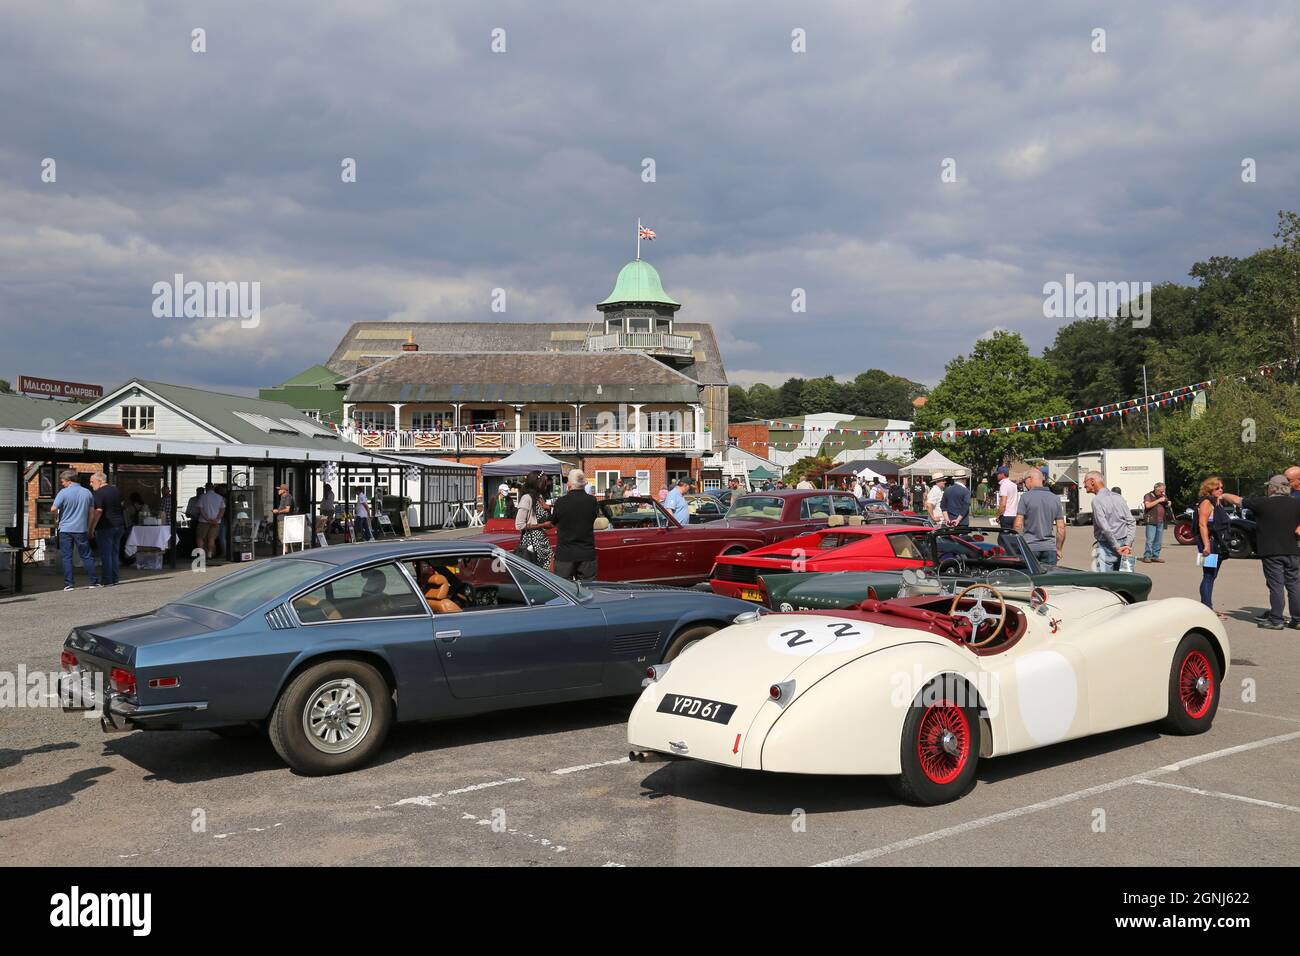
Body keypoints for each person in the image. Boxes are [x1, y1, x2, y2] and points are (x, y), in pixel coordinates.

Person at [1241, 475, 1300, 630]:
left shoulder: (1263, 503)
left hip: (1272, 552)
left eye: (1269, 486)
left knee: (1276, 586)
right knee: (1294, 585)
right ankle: (1297, 619)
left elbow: (1238, 500)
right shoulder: (1296, 503)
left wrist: (1224, 495)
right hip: (1293, 551)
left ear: (1273, 488)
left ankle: (1276, 620)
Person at [551, 469, 609, 582]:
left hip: (565, 553)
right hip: (586, 552)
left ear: (569, 484)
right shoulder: (592, 501)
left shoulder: (561, 502)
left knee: (564, 590)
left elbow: (553, 521)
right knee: (587, 590)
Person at [49, 470, 98, 591]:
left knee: (67, 556)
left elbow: (53, 508)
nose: (62, 484)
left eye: (63, 482)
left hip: (65, 529)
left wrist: (55, 519)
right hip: (81, 528)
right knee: (86, 555)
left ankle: (69, 584)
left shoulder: (63, 493)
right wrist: (90, 527)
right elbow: (92, 513)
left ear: (69, 481)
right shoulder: (87, 492)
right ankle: (93, 582)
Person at [1195, 477, 1235, 619]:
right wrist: (1206, 545)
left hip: (1217, 543)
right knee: (1209, 576)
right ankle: (1207, 608)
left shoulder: (1216, 502)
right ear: (1209, 489)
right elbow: (1202, 524)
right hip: (1210, 544)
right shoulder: (1206, 502)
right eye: (1217, 488)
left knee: (1211, 576)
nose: (1221, 490)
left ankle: (1206, 606)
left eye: (1221, 487)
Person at [1084, 471, 1134, 572]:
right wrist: (1128, 544)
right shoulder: (1118, 497)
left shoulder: (1097, 500)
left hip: (1107, 545)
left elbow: (1105, 528)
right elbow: (1131, 521)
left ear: (1092, 481)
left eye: (1085, 482)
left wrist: (1116, 547)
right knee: (1126, 581)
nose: (1084, 486)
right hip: (1124, 545)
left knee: (1105, 582)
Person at [1015, 468, 1066, 566]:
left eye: (1025, 481)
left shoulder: (1025, 497)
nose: (1025, 485)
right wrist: (1058, 548)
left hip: (1030, 547)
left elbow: (1018, 525)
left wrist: (1019, 546)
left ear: (1030, 479)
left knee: (1031, 579)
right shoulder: (1055, 498)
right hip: (1049, 548)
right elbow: (1061, 528)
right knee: (1048, 579)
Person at [87, 472, 125, 586]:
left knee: (106, 554)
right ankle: (115, 577)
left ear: (100, 481)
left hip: (105, 526)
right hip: (119, 525)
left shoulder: (98, 493)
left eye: (92, 481)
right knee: (114, 552)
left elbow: (98, 511)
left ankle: (107, 580)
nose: (90, 484)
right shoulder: (116, 490)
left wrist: (91, 528)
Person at [515, 471, 553, 568]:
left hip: (542, 540)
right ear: (538, 483)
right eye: (544, 482)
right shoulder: (526, 498)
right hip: (531, 543)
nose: (547, 484)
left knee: (549, 569)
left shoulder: (539, 497)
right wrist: (542, 525)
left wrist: (549, 509)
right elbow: (519, 525)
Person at [1141, 482, 1171, 563]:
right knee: (1150, 539)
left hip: (1161, 521)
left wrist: (1168, 504)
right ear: (1156, 489)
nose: (1162, 493)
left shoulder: (1163, 496)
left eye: (1163, 491)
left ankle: (1155, 556)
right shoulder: (1148, 495)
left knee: (1158, 540)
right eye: (1161, 491)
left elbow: (1166, 506)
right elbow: (1147, 506)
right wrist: (1158, 500)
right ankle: (1147, 556)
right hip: (1151, 520)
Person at [195, 482, 226, 560]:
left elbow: (200, 509)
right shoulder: (219, 497)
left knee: (200, 538)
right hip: (216, 522)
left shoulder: (202, 497)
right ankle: (209, 554)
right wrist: (217, 519)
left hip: (203, 521)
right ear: (213, 488)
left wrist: (207, 519)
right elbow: (222, 510)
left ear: (206, 488)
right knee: (211, 539)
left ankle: (201, 555)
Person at [996, 466, 1019, 531]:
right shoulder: (1014, 485)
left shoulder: (1004, 485)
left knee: (1003, 538)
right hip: (1014, 515)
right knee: (1011, 536)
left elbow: (1003, 504)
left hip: (1006, 515)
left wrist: (998, 515)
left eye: (998, 474)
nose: (997, 475)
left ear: (1002, 474)